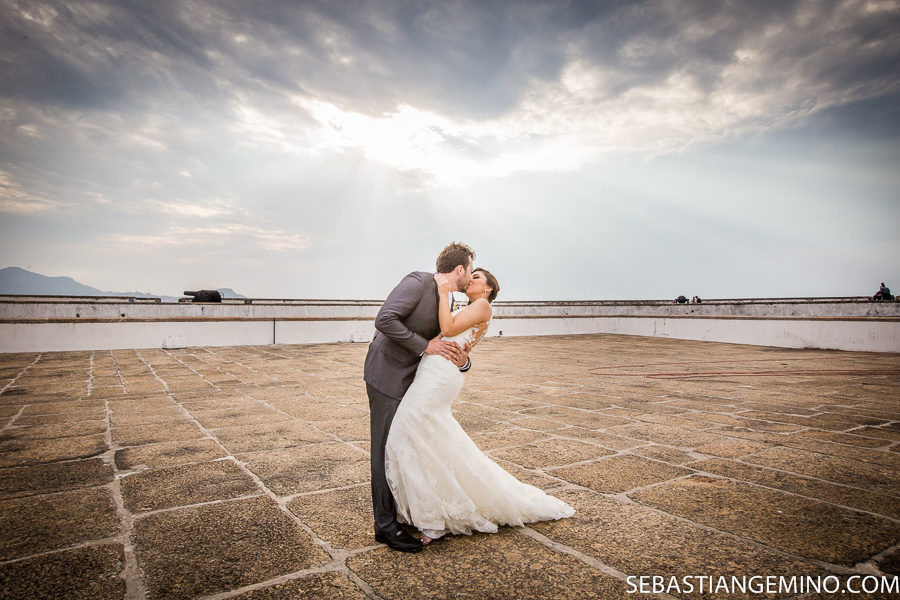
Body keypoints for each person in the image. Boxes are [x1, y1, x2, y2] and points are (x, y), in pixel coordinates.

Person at [385, 267, 575, 545]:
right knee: (428, 437)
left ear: (487, 288)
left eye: (476, 278)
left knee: (405, 430)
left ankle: (434, 520)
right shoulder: (472, 307)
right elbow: (454, 338)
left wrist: (442, 292)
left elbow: (449, 328)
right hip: (434, 370)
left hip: (438, 376)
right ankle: (431, 509)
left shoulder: (483, 305)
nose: (470, 280)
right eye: (470, 275)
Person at [364, 242, 475, 553]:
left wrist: (463, 360)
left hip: (414, 384)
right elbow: (385, 319)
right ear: (459, 269)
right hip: (387, 376)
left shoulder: (452, 299)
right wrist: (425, 346)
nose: (470, 277)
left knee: (404, 450)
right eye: (469, 270)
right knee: (384, 451)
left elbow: (452, 342)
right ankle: (385, 527)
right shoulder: (419, 281)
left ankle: (401, 515)